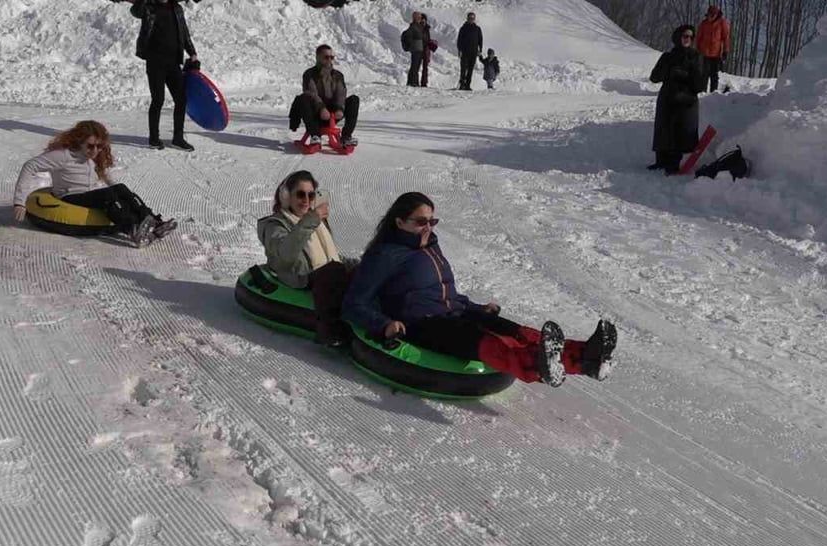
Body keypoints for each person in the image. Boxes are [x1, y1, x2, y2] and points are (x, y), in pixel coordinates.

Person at [342, 193, 617, 387]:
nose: (428, 227)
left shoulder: (430, 247)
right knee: (489, 342)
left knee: (517, 332)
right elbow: (354, 304)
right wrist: (384, 325)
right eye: (421, 221)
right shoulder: (385, 255)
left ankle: (586, 358)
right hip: (423, 324)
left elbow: (446, 292)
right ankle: (536, 368)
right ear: (399, 222)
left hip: (455, 311)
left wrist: (476, 308)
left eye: (432, 221)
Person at [12, 121, 177, 246]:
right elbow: (30, 166)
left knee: (119, 189)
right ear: (79, 142)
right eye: (90, 146)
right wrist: (19, 202)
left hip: (86, 196)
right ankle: (132, 230)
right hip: (69, 197)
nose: (95, 150)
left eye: (99, 146)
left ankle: (154, 222)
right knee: (108, 196)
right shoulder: (62, 156)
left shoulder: (92, 157)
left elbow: (105, 175)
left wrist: (120, 190)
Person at [258, 171, 351, 347]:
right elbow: (285, 255)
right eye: (300, 194)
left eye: (311, 195)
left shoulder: (316, 220)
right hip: (300, 277)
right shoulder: (275, 225)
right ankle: (329, 331)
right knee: (333, 271)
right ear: (286, 197)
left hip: (329, 272)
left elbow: (328, 255)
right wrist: (311, 220)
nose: (306, 200)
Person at [127, 0, 198, 151]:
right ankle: (154, 139)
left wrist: (192, 52)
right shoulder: (148, 8)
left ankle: (178, 139)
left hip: (173, 62)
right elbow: (135, 11)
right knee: (158, 100)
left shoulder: (177, 8)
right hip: (155, 62)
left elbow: (184, 32)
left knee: (181, 99)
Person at [648, 25, 706, 174]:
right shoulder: (667, 56)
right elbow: (654, 77)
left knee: (681, 131)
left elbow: (700, 85)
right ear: (677, 37)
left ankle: (675, 164)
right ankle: (660, 161)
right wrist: (668, 71)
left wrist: (686, 75)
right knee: (663, 129)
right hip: (667, 97)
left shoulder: (696, 56)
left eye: (691, 37)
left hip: (686, 100)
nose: (688, 39)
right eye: (685, 36)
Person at [288, 45, 360, 149]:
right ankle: (315, 136)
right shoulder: (309, 74)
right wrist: (321, 108)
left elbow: (341, 93)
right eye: (326, 57)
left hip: (333, 114)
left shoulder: (338, 75)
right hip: (315, 114)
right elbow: (311, 93)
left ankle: (346, 136)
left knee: (354, 100)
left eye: (332, 57)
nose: (329, 60)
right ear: (318, 57)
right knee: (303, 98)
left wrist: (339, 108)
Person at [697, 4, 730, 93]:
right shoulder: (704, 24)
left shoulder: (722, 23)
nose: (710, 17)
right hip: (705, 53)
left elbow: (725, 37)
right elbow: (699, 37)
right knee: (704, 74)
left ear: (716, 15)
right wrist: (698, 49)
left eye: (712, 15)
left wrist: (725, 51)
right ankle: (702, 92)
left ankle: (713, 93)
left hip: (716, 54)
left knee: (714, 75)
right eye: (708, 15)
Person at [456, 12, 482, 91]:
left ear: (474, 19)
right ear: (467, 19)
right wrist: (459, 50)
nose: (471, 19)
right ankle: (462, 84)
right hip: (465, 52)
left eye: (472, 18)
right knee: (463, 69)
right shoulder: (463, 28)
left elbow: (480, 40)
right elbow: (459, 40)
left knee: (470, 69)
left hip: (473, 52)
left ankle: (467, 85)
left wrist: (480, 50)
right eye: (470, 18)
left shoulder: (477, 29)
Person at [401, 12, 425, 87]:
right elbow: (409, 36)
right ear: (416, 18)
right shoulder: (413, 26)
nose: (420, 19)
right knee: (415, 66)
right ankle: (413, 82)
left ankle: (412, 82)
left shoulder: (417, 26)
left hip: (418, 49)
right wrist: (411, 45)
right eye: (419, 18)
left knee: (415, 66)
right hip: (416, 49)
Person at [420, 13, 435, 88]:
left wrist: (431, 43)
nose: (423, 21)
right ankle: (414, 81)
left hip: (426, 49)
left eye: (424, 20)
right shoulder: (418, 27)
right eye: (422, 19)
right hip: (419, 48)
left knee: (425, 67)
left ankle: (424, 82)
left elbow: (427, 39)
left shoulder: (427, 28)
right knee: (416, 66)